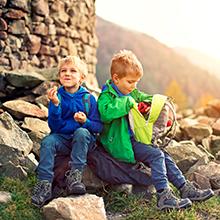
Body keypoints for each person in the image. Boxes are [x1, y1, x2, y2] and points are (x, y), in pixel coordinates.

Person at [97, 49, 214, 210]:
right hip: (120, 144)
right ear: (116, 79)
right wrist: (128, 102)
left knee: (163, 154)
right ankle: (163, 195)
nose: (134, 86)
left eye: (136, 82)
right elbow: (106, 114)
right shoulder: (107, 96)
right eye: (130, 82)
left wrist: (158, 102)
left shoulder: (131, 92)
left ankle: (184, 188)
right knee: (156, 155)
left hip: (133, 140)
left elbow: (144, 98)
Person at [31, 55, 103, 207]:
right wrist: (56, 105)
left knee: (81, 132)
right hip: (63, 140)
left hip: (84, 142)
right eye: (63, 71)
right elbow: (55, 127)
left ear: (81, 77)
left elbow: (98, 126)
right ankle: (44, 184)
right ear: (59, 76)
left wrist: (85, 122)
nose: (67, 74)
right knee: (48, 141)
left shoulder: (89, 99)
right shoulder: (57, 97)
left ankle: (74, 177)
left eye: (73, 71)